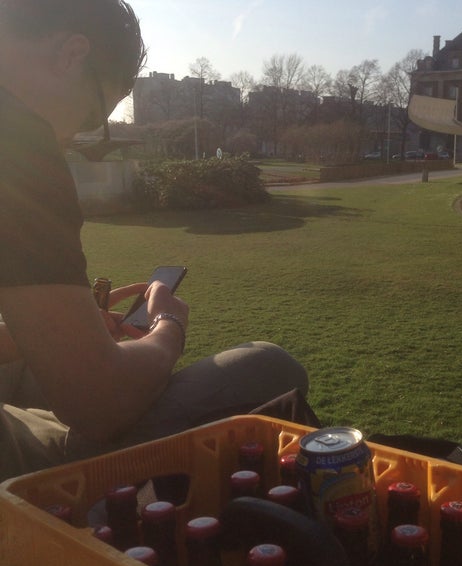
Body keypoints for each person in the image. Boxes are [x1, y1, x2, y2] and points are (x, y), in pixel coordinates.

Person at [0, 0, 319, 483]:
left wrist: (53, 327)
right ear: (71, 54)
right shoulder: (19, 147)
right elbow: (100, 404)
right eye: (90, 115)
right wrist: (169, 325)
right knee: (270, 367)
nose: (73, 137)